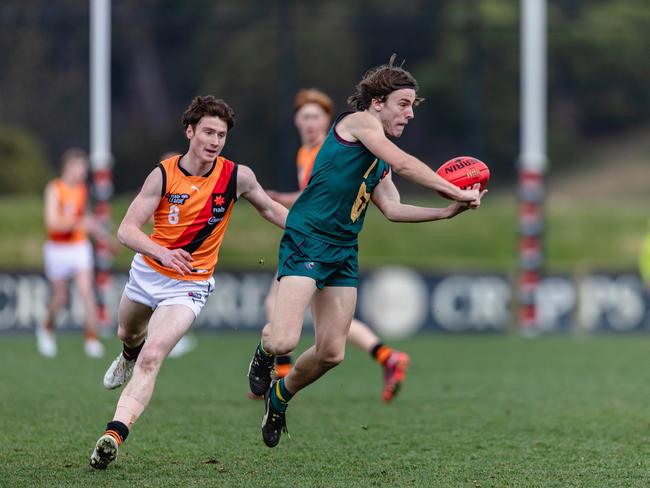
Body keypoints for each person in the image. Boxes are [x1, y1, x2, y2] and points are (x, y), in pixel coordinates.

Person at [247, 56, 487, 448]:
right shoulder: (358, 124)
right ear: (377, 102)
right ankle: (263, 352)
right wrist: (456, 189)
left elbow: (392, 209)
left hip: (343, 250)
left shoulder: (379, 158)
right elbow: (406, 164)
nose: (409, 114)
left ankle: (279, 396)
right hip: (307, 237)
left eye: (412, 106)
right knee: (285, 341)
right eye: (403, 104)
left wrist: (446, 212)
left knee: (331, 353)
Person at [89, 95, 288, 469]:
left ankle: (113, 434)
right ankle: (126, 354)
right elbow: (126, 230)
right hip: (148, 273)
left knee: (153, 356)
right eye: (208, 132)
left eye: (222, 135)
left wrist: (310, 231)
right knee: (128, 334)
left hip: (189, 285)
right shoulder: (163, 174)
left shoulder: (236, 176)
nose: (215, 141)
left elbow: (269, 207)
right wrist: (162, 253)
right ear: (190, 131)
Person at [257, 88, 409, 403]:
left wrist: (278, 198)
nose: (309, 123)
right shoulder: (304, 152)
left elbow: (321, 196)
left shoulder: (333, 148)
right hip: (311, 239)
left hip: (322, 241)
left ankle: (282, 368)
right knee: (307, 321)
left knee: (300, 321)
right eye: (304, 117)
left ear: (328, 120)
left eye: (316, 117)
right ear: (296, 121)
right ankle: (383, 355)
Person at [38, 148, 105, 358]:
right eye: (80, 167)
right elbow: (52, 223)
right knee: (60, 296)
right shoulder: (54, 188)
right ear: (68, 167)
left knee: (86, 291)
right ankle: (46, 328)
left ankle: (92, 338)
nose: (83, 172)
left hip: (78, 246)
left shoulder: (82, 189)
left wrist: (101, 234)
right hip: (57, 248)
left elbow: (84, 218)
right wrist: (79, 223)